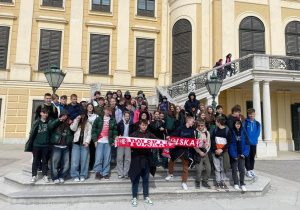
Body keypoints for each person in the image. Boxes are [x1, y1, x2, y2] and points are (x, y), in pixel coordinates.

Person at [127, 119, 157, 207]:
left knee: (146, 178)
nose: (144, 126)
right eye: (143, 125)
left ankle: (146, 196)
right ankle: (134, 197)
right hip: (136, 159)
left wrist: (168, 140)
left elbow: (159, 141)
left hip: (146, 159)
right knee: (136, 178)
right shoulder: (134, 134)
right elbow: (127, 140)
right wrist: (119, 138)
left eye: (146, 125)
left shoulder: (149, 134)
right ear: (139, 125)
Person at [165, 116, 195, 191]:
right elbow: (173, 135)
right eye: (192, 121)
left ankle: (184, 182)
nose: (193, 123)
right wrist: (170, 137)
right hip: (177, 149)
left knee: (185, 167)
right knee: (171, 163)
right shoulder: (180, 128)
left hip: (186, 150)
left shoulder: (192, 131)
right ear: (188, 121)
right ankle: (171, 174)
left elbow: (193, 141)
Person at [92, 105, 118, 181]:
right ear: (104, 110)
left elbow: (114, 131)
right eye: (107, 110)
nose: (108, 111)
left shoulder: (113, 120)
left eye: (109, 110)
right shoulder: (99, 119)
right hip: (100, 140)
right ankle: (98, 172)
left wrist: (113, 140)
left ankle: (105, 173)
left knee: (107, 158)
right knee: (98, 158)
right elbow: (94, 130)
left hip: (108, 141)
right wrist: (95, 140)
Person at [48, 109, 73, 184]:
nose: (65, 117)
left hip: (65, 147)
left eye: (66, 116)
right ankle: (55, 177)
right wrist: (58, 120)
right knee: (55, 163)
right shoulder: (57, 123)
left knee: (65, 164)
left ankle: (62, 176)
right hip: (57, 146)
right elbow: (50, 127)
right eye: (64, 115)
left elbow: (72, 133)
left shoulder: (69, 124)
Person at [29, 108, 53, 183]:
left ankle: (45, 175)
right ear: (41, 113)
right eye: (44, 113)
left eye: (46, 113)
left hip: (45, 145)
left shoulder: (49, 122)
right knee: (35, 161)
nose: (45, 114)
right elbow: (32, 133)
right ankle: (34, 175)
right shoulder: (36, 122)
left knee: (45, 161)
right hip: (37, 144)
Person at [70, 109, 92, 182]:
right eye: (81, 114)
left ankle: (83, 175)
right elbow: (72, 128)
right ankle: (75, 175)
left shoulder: (88, 122)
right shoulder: (76, 120)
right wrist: (77, 120)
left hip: (84, 144)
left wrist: (87, 142)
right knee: (75, 161)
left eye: (83, 114)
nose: (82, 115)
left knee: (84, 161)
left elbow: (89, 133)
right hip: (76, 143)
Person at [211, 117, 232, 191]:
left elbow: (229, 142)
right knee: (217, 168)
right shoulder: (215, 130)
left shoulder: (227, 131)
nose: (215, 123)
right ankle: (218, 182)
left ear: (219, 122)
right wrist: (216, 149)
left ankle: (223, 182)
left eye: (216, 122)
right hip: (216, 152)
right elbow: (213, 140)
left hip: (224, 152)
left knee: (223, 168)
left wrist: (221, 150)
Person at [229, 120, 250, 192]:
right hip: (235, 154)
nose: (237, 125)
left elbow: (247, 144)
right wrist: (234, 155)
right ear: (234, 124)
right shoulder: (231, 132)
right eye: (236, 124)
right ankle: (236, 183)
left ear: (241, 125)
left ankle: (242, 183)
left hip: (242, 154)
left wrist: (245, 153)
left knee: (242, 169)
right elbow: (230, 144)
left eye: (239, 124)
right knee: (234, 169)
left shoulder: (244, 132)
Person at [243, 108, 261, 179]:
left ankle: (251, 169)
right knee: (247, 156)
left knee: (252, 157)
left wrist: (253, 140)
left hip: (254, 143)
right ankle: (247, 170)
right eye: (250, 114)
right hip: (247, 143)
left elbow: (258, 133)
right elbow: (245, 132)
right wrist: (249, 140)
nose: (251, 115)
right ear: (248, 114)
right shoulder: (245, 123)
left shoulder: (257, 123)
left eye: (253, 114)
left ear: (255, 114)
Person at [194, 120, 211, 189]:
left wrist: (206, 151)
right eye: (198, 125)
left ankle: (205, 181)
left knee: (208, 169)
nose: (200, 127)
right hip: (198, 153)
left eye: (202, 125)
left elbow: (208, 143)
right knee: (199, 169)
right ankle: (197, 181)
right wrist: (199, 152)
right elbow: (194, 144)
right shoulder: (195, 132)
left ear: (204, 126)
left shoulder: (207, 133)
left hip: (205, 152)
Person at [117, 112, 134, 179]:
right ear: (123, 116)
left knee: (128, 158)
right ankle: (120, 173)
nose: (127, 117)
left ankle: (126, 173)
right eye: (126, 116)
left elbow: (133, 133)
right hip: (121, 141)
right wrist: (117, 136)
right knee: (119, 158)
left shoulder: (132, 124)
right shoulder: (120, 123)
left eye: (128, 116)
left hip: (128, 142)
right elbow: (117, 132)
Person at [86, 103, 98, 170]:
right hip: (86, 135)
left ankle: (92, 164)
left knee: (93, 151)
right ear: (87, 108)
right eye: (89, 107)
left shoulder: (96, 116)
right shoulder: (84, 115)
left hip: (93, 135)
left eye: (91, 107)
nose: (90, 108)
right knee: (86, 151)